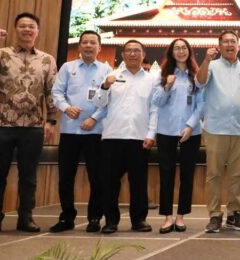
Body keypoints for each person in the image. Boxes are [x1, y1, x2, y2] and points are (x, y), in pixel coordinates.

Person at [0, 13, 57, 235]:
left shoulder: (47, 59)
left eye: (31, 26)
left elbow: (51, 91)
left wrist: (51, 121)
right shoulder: (2, 54)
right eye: (22, 26)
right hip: (2, 124)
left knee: (29, 176)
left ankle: (26, 217)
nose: (27, 30)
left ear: (37, 31)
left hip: (33, 126)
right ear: (16, 29)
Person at [196, 31, 240, 233]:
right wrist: (207, 59)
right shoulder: (212, 66)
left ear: (239, 46)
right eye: (225, 42)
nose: (229, 45)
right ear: (219, 46)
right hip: (215, 128)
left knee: (237, 175)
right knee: (214, 174)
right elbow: (199, 82)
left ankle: (234, 214)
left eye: (233, 41)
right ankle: (215, 215)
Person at [49, 30, 111, 233]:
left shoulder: (106, 70)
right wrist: (67, 108)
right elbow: (56, 92)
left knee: (97, 178)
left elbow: (111, 99)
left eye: (93, 42)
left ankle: (95, 218)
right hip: (69, 131)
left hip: (96, 131)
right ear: (79, 46)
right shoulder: (68, 68)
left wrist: (94, 118)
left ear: (99, 47)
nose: (88, 45)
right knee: (66, 177)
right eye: (84, 42)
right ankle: (67, 217)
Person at [94, 40, 157, 234]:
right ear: (123, 55)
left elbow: (155, 109)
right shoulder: (112, 76)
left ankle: (139, 220)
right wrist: (104, 86)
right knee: (110, 182)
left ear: (143, 54)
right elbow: (99, 103)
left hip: (139, 137)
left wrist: (151, 133)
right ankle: (111, 221)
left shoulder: (152, 80)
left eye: (136, 50)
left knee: (138, 182)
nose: (132, 54)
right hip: (113, 135)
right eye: (128, 51)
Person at [152, 38, 203, 233]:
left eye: (184, 48)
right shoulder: (163, 75)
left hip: (191, 132)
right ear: (171, 53)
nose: (181, 51)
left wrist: (190, 126)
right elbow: (156, 101)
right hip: (166, 131)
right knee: (166, 174)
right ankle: (167, 216)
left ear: (189, 51)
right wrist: (167, 86)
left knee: (187, 174)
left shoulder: (196, 76)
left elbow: (202, 104)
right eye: (177, 48)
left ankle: (181, 216)